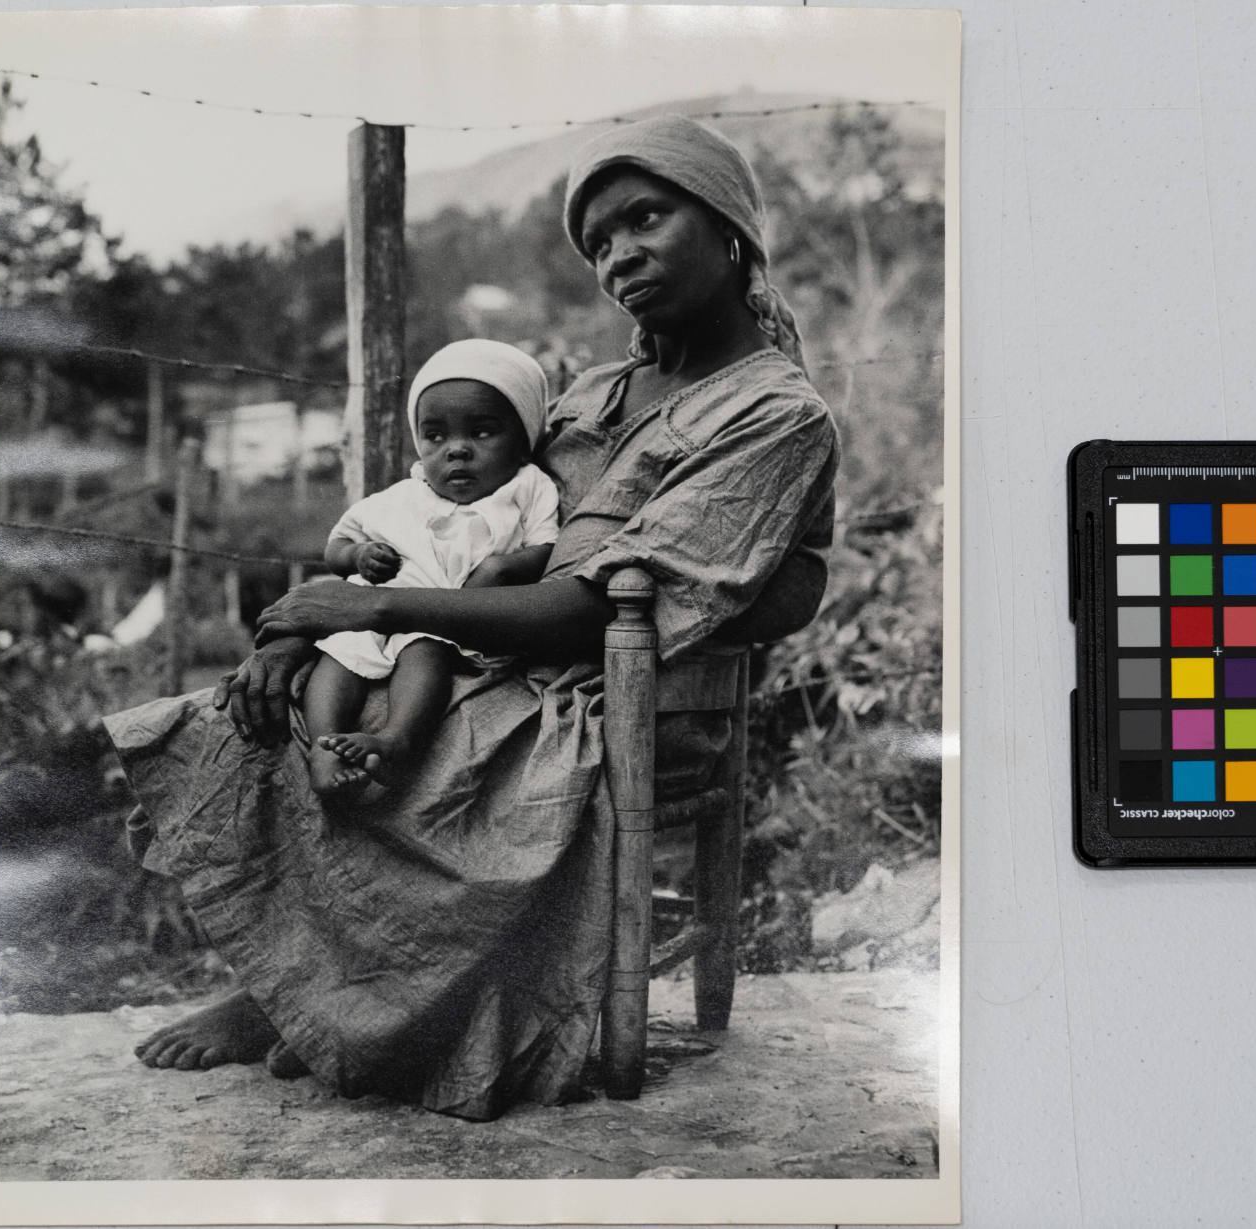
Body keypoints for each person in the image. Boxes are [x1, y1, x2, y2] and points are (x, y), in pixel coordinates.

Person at [104, 114, 839, 1120]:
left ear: (730, 228)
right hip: (491, 649)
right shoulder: (597, 393)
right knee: (255, 716)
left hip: (635, 683)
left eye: (645, 218)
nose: (619, 254)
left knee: (408, 738)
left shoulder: (772, 412)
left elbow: (608, 600)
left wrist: (373, 605)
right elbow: (447, 520)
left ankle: (341, 1003)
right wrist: (303, 629)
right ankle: (303, 988)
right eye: (598, 241)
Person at [303, 339, 559, 797]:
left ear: (524, 440)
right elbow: (337, 544)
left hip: (446, 618)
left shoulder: (529, 487)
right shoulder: (404, 496)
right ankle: (323, 748)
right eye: (436, 436)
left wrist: (504, 566)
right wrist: (359, 557)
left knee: (425, 649)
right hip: (377, 605)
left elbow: (546, 545)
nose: (456, 451)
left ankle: (399, 739)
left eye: (481, 433)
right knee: (338, 652)